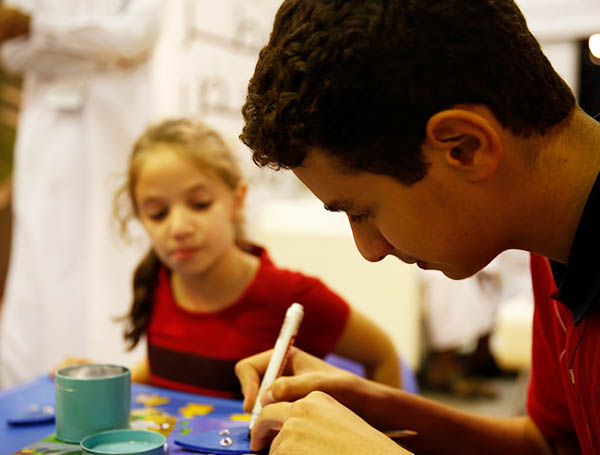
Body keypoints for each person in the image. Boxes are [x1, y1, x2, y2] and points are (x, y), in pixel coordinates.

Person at [233, 0, 600, 453]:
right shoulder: (552, 241)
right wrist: (376, 406)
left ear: (464, 149)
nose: (369, 249)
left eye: (362, 212)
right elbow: (553, 443)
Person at [113, 118, 402, 398]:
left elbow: (382, 356)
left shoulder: (291, 296)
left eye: (200, 204)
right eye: (158, 214)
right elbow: (173, 367)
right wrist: (105, 383)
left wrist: (382, 430)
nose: (178, 228)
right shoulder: (156, 281)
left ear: (237, 200)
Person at [0, 0, 162, 388]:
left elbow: (135, 36)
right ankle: (34, 388)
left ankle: (108, 385)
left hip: (112, 132)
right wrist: (91, 46)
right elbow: (13, 53)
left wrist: (37, 28)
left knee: (109, 256)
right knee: (41, 259)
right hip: (45, 138)